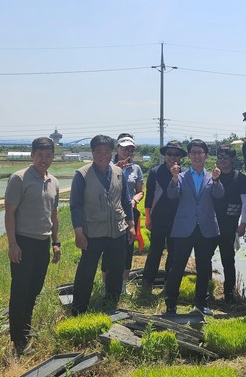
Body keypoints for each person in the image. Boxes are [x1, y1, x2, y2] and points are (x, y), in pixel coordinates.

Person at [4, 136, 61, 356]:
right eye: (40, 155)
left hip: (43, 243)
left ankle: (25, 331)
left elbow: (54, 215)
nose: (44, 160)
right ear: (32, 155)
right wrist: (12, 244)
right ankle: (18, 341)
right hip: (23, 242)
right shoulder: (19, 179)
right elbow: (9, 213)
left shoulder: (53, 181)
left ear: (53, 157)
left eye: (48, 156)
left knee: (34, 290)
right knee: (20, 290)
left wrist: (56, 242)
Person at [70, 134, 135, 315]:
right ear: (92, 153)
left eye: (107, 151)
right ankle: (79, 308)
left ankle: (111, 304)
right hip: (93, 231)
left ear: (112, 152)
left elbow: (126, 200)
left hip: (117, 229)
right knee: (86, 271)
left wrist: (131, 224)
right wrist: (79, 232)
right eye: (98, 151)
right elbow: (75, 206)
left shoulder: (118, 172)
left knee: (116, 269)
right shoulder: (82, 175)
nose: (103, 155)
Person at [163, 139, 224, 316]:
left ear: (205, 155)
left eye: (200, 152)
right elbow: (171, 195)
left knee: (204, 267)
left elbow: (219, 195)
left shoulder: (211, 176)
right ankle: (171, 303)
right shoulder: (181, 176)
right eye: (193, 152)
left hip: (205, 227)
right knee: (177, 266)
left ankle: (201, 303)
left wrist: (216, 180)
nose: (197, 155)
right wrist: (174, 179)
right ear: (189, 156)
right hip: (184, 227)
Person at [141, 140, 187, 292]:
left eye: (176, 154)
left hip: (178, 219)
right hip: (159, 217)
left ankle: (169, 284)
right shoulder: (156, 172)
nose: (172, 157)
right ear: (165, 155)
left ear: (181, 156)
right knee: (155, 251)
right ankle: (147, 282)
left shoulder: (185, 173)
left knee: (174, 253)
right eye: (169, 154)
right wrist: (148, 216)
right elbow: (149, 196)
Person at [101, 133, 144, 294]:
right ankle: (105, 287)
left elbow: (140, 191)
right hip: (110, 213)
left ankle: (123, 285)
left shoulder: (136, 168)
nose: (128, 152)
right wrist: (116, 168)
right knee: (107, 249)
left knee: (127, 249)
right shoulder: (107, 166)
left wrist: (134, 200)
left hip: (130, 213)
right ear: (117, 148)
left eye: (131, 149)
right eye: (125, 148)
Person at [211, 145, 246, 303]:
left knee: (228, 259)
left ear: (233, 159)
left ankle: (229, 294)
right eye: (220, 157)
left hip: (229, 225)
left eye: (226, 157)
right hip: (211, 224)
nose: (222, 160)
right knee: (205, 256)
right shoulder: (213, 177)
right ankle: (207, 290)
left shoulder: (241, 178)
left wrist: (243, 223)